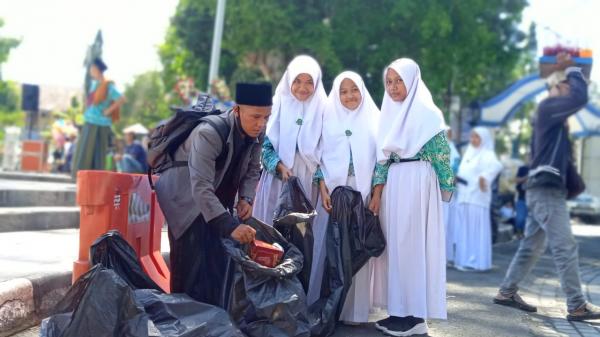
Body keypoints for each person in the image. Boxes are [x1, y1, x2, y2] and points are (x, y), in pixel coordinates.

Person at [494, 53, 600, 321]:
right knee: (565, 246)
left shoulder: (553, 121)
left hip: (542, 190)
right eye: (564, 84)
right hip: (545, 192)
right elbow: (580, 98)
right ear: (555, 88)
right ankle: (576, 304)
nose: (568, 89)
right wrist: (575, 69)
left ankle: (507, 291)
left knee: (531, 246)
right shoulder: (547, 107)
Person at [155, 83, 272, 306]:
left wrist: (246, 198)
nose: (261, 123)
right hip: (185, 202)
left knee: (217, 269)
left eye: (266, 117)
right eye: (256, 116)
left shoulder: (258, 132)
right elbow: (199, 187)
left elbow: (253, 168)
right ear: (237, 110)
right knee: (190, 271)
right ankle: (185, 324)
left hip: (216, 202)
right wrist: (230, 226)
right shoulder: (209, 133)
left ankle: (212, 324)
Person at [371, 58, 454, 336]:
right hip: (395, 183)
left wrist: (446, 187)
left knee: (413, 248)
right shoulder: (388, 114)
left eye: (399, 81)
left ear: (412, 80)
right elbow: (382, 159)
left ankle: (416, 317)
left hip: (419, 183)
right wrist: (377, 189)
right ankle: (398, 312)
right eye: (389, 81)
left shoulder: (427, 114)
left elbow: (442, 154)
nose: (394, 87)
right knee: (395, 248)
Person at [308, 71, 380, 323]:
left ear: (362, 91)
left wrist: (377, 193)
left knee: (355, 249)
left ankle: (353, 311)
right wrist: (323, 188)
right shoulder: (327, 119)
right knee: (330, 248)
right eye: (343, 91)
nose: (349, 96)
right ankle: (323, 308)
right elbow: (316, 157)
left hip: (363, 194)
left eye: (354, 90)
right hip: (333, 195)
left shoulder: (374, 119)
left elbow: (383, 160)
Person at [253, 55, 326, 224]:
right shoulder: (276, 105)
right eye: (298, 81)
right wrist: (280, 167)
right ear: (289, 80)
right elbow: (264, 145)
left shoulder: (324, 110)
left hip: (308, 181)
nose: (303, 87)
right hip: (278, 178)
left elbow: (326, 152)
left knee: (302, 231)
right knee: (272, 227)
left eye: (309, 82)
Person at [454, 127, 503, 272]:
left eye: (477, 137)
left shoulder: (487, 153)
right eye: (472, 137)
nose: (473, 140)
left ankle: (475, 261)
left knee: (475, 229)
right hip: (464, 196)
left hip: (477, 197)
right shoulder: (469, 152)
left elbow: (497, 166)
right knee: (465, 229)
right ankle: (464, 260)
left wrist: (485, 178)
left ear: (484, 139)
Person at [71, 58, 126, 178]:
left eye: (92, 68)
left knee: (98, 153)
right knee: (84, 151)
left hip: (101, 124)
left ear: (97, 69)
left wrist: (108, 111)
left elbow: (122, 99)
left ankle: (95, 179)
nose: (90, 70)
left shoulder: (108, 86)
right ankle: (82, 178)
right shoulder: (94, 84)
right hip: (89, 121)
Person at [444, 127, 461, 264]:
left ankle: (446, 255)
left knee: (446, 223)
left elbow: (454, 170)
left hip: (447, 191)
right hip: (438, 189)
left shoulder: (452, 151)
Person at [514, 163, 529, 238]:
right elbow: (516, 180)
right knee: (520, 219)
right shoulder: (522, 168)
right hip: (522, 197)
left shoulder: (540, 168)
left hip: (535, 198)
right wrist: (527, 177)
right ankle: (519, 234)